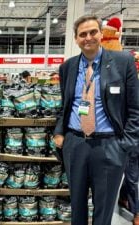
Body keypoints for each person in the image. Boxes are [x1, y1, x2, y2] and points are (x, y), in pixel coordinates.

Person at [53, 15, 139, 225]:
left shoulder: (123, 62)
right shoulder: (68, 67)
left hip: (110, 145)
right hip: (75, 144)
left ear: (101, 34)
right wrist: (59, 132)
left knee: (104, 209)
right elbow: (66, 104)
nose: (88, 37)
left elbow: (135, 109)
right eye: (83, 34)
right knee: (77, 207)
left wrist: (125, 145)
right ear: (76, 39)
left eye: (93, 32)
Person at [119, 151, 139, 225]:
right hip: (133, 145)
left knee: (131, 176)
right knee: (132, 179)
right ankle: (136, 212)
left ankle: (123, 197)